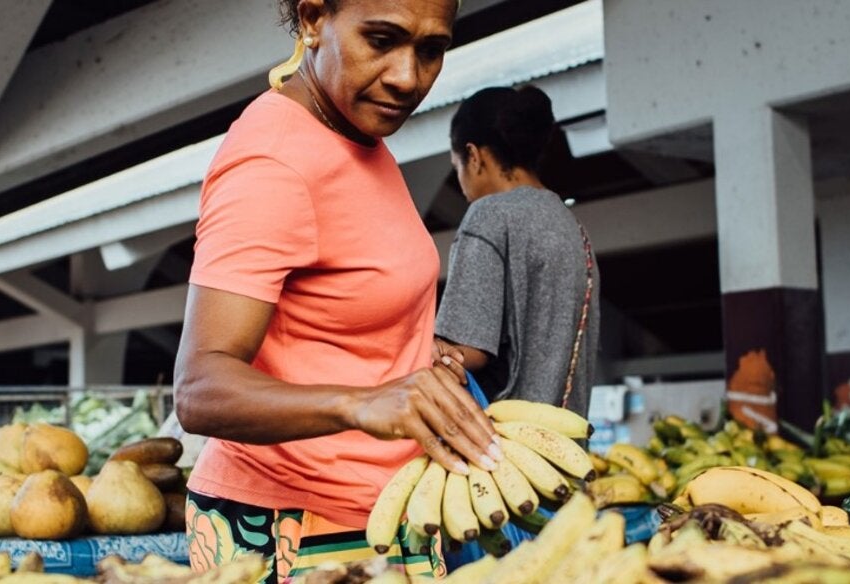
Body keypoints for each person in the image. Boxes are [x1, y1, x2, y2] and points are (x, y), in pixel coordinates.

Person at [174, 0, 498, 580]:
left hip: (385, 511)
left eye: (431, 50)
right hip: (294, 527)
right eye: (381, 40)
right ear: (313, 19)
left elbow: (337, 316)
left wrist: (418, 360)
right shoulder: (272, 161)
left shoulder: (357, 136)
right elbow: (200, 387)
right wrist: (362, 401)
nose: (407, 77)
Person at [435, 85, 601, 416]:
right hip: (563, 448)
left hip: (504, 447)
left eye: (457, 167)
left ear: (474, 156)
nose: (462, 184)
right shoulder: (572, 227)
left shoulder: (489, 215)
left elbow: (466, 351)